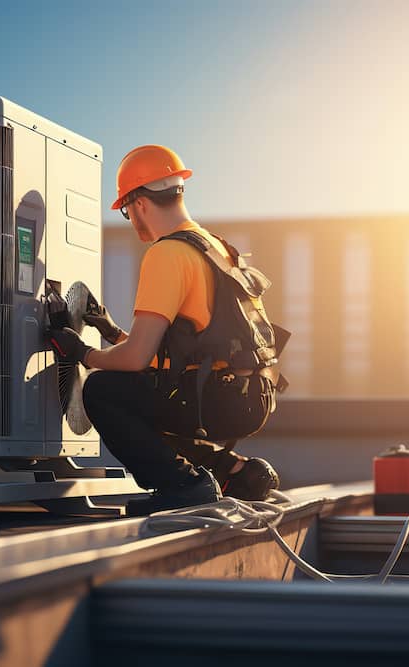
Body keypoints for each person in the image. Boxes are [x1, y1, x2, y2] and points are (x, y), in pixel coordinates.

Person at [47, 144, 281, 516]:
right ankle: (236, 472)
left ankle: (184, 485)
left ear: (138, 202)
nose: (131, 218)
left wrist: (83, 354)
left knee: (104, 390)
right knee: (147, 395)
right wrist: (111, 332)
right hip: (253, 395)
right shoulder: (214, 247)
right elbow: (178, 351)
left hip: (215, 398)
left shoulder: (166, 253)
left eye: (126, 210)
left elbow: (137, 359)